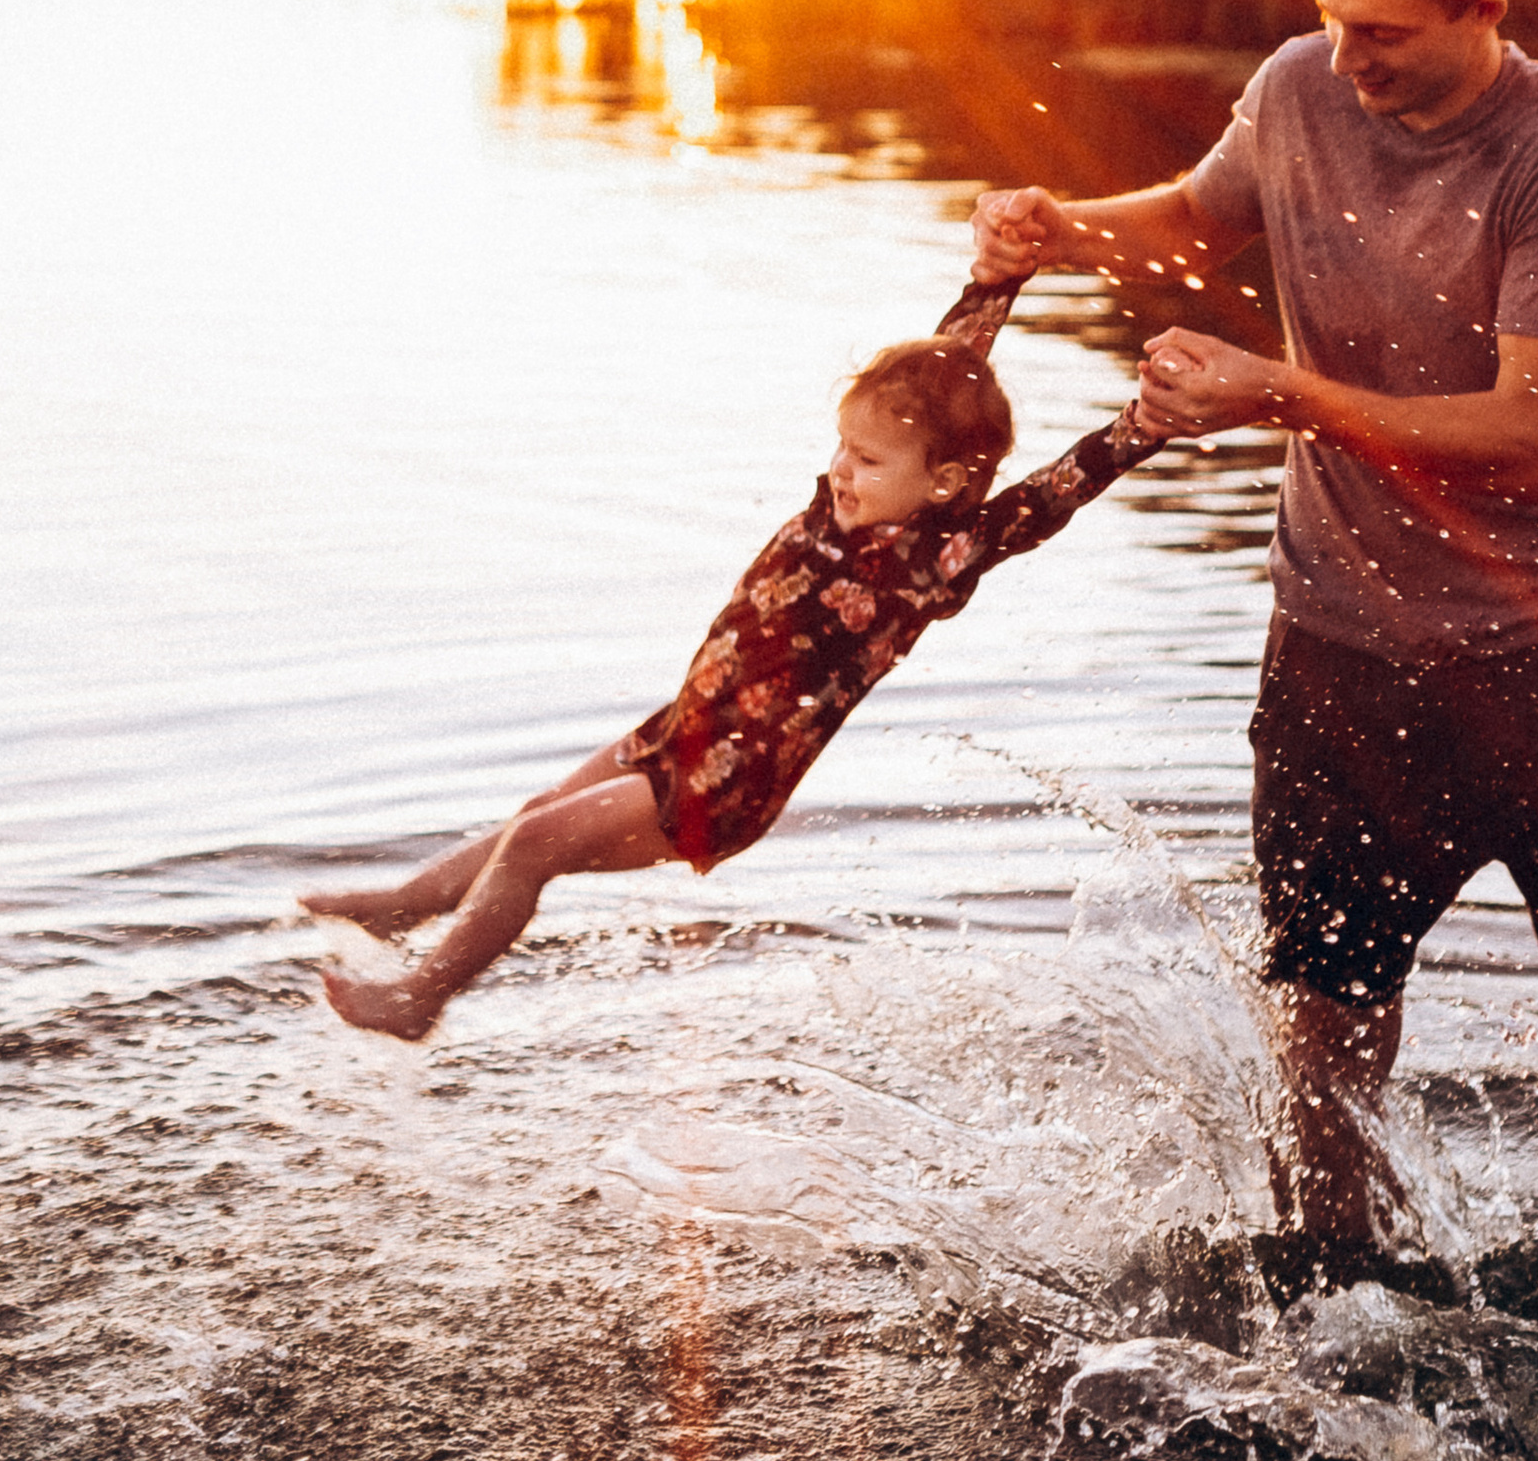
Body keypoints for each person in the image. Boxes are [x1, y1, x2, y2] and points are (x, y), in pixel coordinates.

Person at [976, 0, 1538, 1310]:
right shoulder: (1292, 84)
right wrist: (1058, 228)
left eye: (1384, 29)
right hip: (1336, 648)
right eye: (1333, 13)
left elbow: (1529, 435)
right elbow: (1203, 211)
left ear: (1487, 2)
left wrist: (1279, 391)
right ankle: (1334, 1323)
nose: (1347, 56)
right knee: (1328, 1035)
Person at [312, 274, 1167, 1038]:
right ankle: (403, 907)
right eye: (841, 445)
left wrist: (1143, 423)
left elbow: (1058, 488)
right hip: (684, 727)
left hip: (727, 778)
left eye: (866, 459)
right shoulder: (851, 503)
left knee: (536, 840)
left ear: (944, 482)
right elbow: (948, 368)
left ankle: (423, 995)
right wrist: (999, 278)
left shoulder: (938, 557)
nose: (839, 469)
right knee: (539, 812)